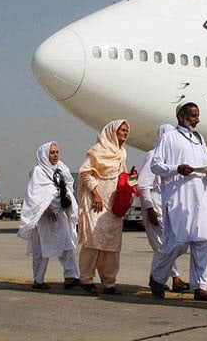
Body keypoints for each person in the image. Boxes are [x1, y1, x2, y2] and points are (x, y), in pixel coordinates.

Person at [149, 102, 207, 302]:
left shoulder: (199, 138)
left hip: (202, 197)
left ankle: (200, 287)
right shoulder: (169, 137)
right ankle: (158, 278)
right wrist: (176, 169)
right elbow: (156, 166)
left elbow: (204, 166)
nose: (197, 119)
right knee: (177, 244)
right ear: (181, 117)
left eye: (198, 116)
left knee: (203, 243)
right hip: (179, 198)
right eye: (193, 116)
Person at [77, 119, 129, 296]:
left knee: (112, 244)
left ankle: (109, 282)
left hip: (114, 205)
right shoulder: (97, 151)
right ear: (112, 132)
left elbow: (122, 175)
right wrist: (96, 194)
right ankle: (86, 279)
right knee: (93, 241)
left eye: (126, 131)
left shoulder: (122, 153)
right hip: (97, 203)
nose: (125, 134)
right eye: (122, 130)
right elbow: (85, 173)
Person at [18, 142, 80, 290]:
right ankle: (38, 281)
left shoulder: (61, 168)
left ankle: (71, 277)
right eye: (52, 152)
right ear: (45, 154)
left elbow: (68, 184)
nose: (55, 155)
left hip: (60, 214)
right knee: (42, 250)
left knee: (66, 244)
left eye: (57, 152)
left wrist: (68, 199)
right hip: (44, 217)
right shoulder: (38, 171)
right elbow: (34, 195)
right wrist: (45, 209)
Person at [138, 124, 190, 293]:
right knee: (163, 247)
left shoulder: (170, 158)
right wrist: (149, 208)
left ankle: (158, 277)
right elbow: (143, 184)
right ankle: (173, 279)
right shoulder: (153, 156)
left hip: (167, 207)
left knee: (170, 245)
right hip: (155, 207)